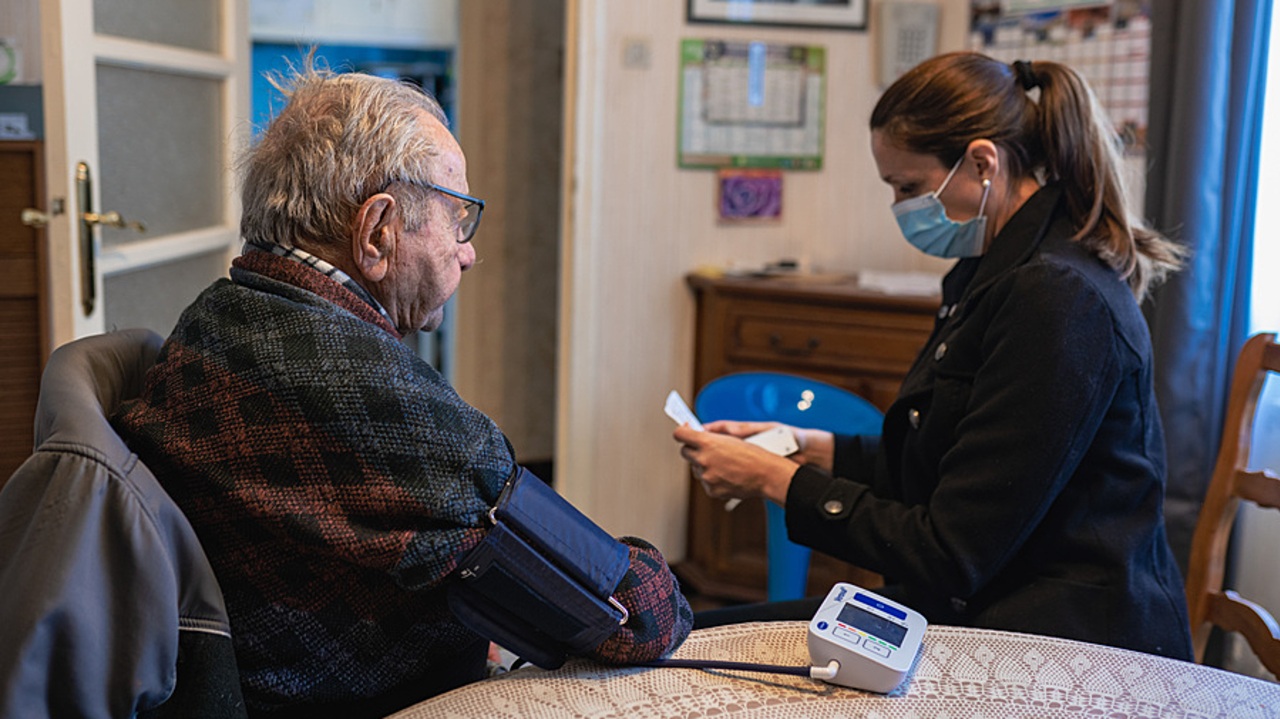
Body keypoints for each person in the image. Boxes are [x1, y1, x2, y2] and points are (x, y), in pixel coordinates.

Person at [113, 63, 691, 718]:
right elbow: (637, 613)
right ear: (379, 229)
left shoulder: (210, 318)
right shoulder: (391, 409)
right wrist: (651, 567)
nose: (467, 252)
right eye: (458, 218)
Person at [674, 52, 1193, 660]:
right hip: (987, 599)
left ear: (981, 162)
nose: (899, 206)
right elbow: (951, 459)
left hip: (1068, 636)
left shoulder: (1056, 298)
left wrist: (774, 479)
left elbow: (951, 551)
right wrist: (800, 445)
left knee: (713, 650)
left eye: (908, 187)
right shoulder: (990, 270)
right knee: (708, 638)